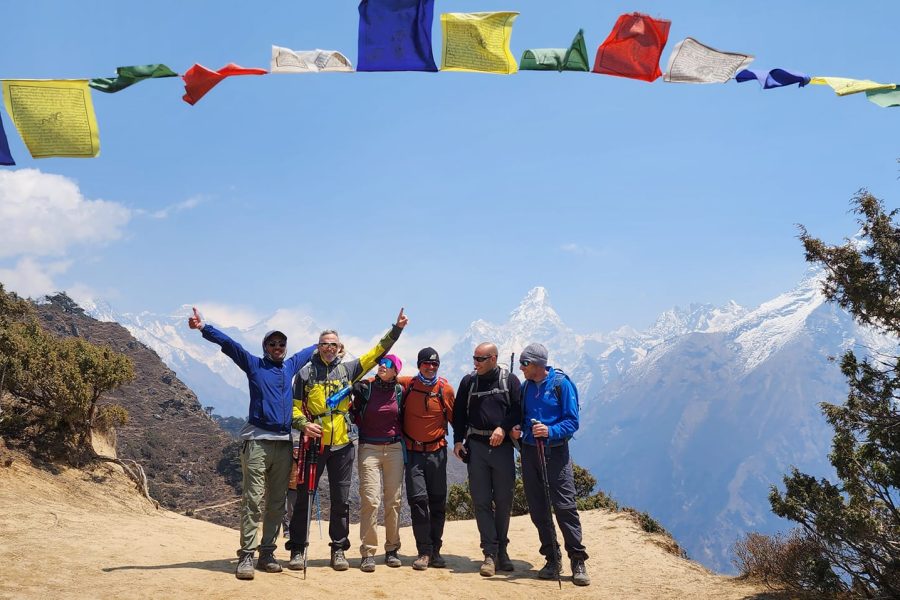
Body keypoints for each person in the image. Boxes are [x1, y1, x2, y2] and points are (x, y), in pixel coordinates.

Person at [187, 307, 315, 580]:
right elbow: (230, 345)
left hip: (283, 443)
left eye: (281, 343)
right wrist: (203, 327)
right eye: (273, 343)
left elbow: (311, 350)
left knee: (277, 502)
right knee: (253, 500)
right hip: (257, 441)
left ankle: (267, 552)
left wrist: (329, 344)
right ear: (265, 347)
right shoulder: (254, 364)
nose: (278, 347)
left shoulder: (290, 366)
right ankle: (246, 554)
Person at [286, 308, 407, 572]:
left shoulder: (349, 369)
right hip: (314, 443)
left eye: (333, 344)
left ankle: (339, 549)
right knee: (305, 497)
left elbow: (377, 353)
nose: (328, 348)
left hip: (343, 443)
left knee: (341, 499)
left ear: (340, 347)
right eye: (323, 344)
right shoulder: (305, 374)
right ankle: (297, 549)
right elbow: (293, 406)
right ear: (317, 347)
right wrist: (303, 424)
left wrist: (396, 330)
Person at [511, 343, 590, 587]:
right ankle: (552, 558)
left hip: (555, 452)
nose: (521, 368)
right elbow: (523, 420)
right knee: (538, 507)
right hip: (530, 451)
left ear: (537, 364)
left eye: (525, 364)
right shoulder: (525, 389)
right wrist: (519, 430)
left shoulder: (561, 385)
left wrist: (550, 430)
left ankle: (578, 559)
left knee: (565, 506)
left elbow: (572, 422)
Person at [452, 342, 521, 577]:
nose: (475, 363)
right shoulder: (468, 382)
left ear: (493, 358)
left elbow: (518, 409)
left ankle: (502, 550)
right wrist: (458, 441)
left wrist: (503, 427)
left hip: (502, 448)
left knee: (504, 500)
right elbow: (459, 412)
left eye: (480, 359)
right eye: (474, 358)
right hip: (477, 448)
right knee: (481, 501)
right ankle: (490, 554)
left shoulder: (509, 380)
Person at [399, 347, 455, 571]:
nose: (430, 368)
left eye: (435, 365)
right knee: (418, 502)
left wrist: (461, 443)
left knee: (437, 503)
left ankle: (436, 551)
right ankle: (424, 551)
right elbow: (384, 376)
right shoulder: (408, 385)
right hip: (413, 453)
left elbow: (455, 420)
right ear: (419, 364)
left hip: (437, 452)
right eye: (426, 364)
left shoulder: (446, 389)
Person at [351, 353, 405, 572]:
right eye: (381, 363)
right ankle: (368, 552)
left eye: (389, 364)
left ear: (396, 371)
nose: (383, 366)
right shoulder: (366, 389)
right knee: (371, 500)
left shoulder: (400, 391)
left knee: (393, 501)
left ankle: (392, 549)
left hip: (394, 448)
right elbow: (353, 411)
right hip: (369, 448)